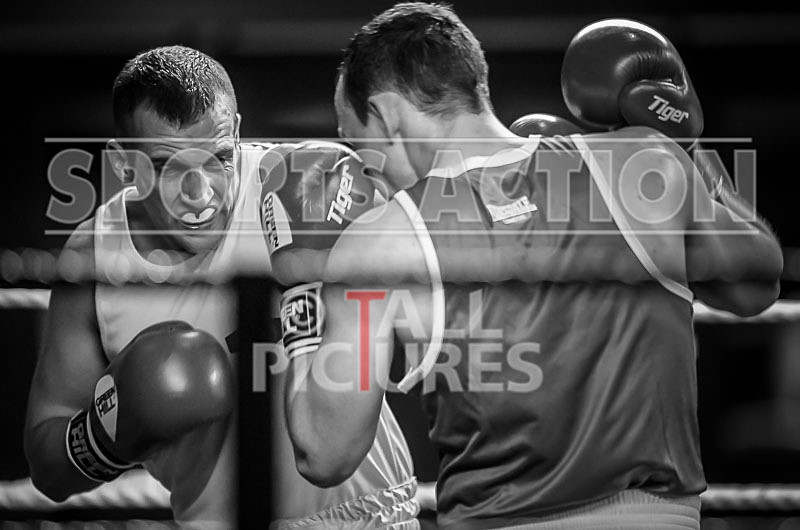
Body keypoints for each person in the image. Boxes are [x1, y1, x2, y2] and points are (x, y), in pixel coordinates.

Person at [283, 4, 783, 530]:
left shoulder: (378, 245)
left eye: (359, 146)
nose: (370, 177)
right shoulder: (644, 166)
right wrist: (687, 142)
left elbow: (325, 453)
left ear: (385, 116)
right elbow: (756, 286)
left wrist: (300, 289)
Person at [24, 45, 419, 529]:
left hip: (370, 517)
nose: (200, 193)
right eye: (167, 165)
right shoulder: (94, 259)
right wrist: (111, 433)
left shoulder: (309, 186)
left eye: (217, 158)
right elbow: (46, 465)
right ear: (124, 162)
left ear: (235, 132)